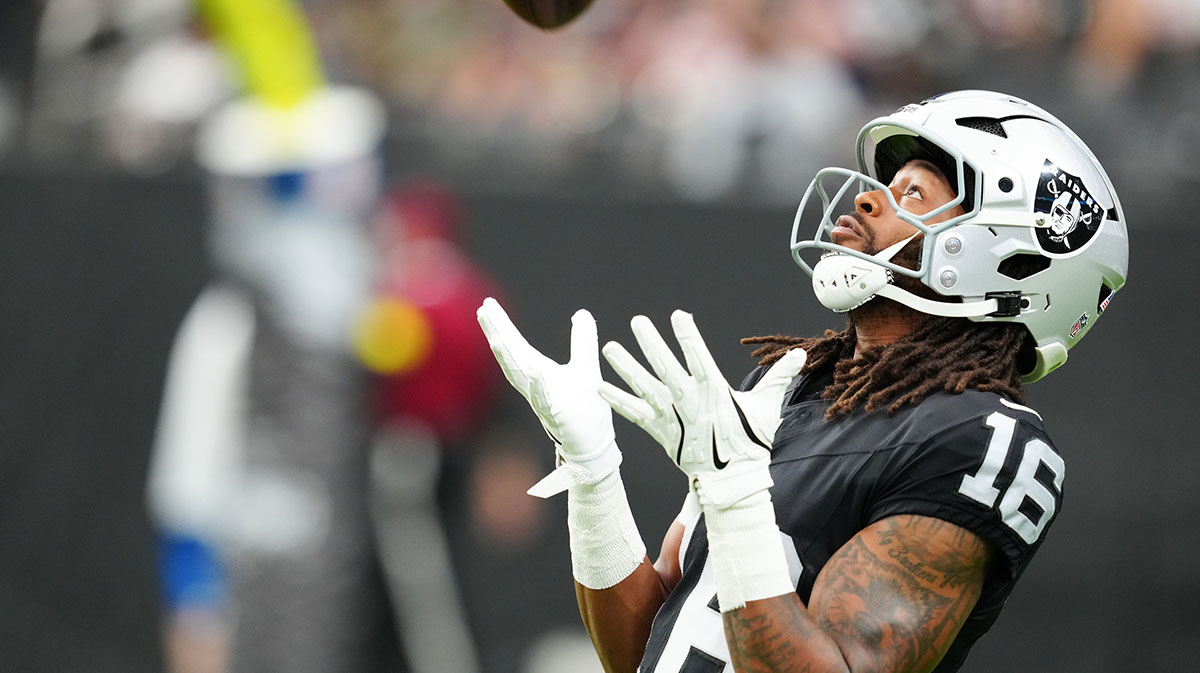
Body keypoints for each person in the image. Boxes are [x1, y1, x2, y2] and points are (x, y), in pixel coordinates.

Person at [476, 90, 1129, 673]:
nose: (867, 197)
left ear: (1006, 253)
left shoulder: (982, 438)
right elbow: (650, 650)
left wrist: (734, 489)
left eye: (914, 194)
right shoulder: (789, 385)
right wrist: (594, 473)